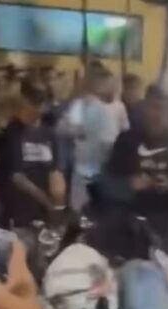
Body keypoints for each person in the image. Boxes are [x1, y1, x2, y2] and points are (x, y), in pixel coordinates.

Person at [105, 88, 168, 271]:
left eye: (161, 108)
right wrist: (130, 185)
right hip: (131, 228)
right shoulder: (126, 141)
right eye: (152, 108)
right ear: (144, 109)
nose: (156, 114)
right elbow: (107, 185)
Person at [0, 81, 64, 245]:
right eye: (32, 104)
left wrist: (58, 201)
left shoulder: (49, 132)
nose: (36, 110)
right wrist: (46, 201)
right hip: (18, 213)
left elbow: (54, 169)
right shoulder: (12, 131)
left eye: (40, 105)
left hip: (42, 216)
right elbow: (17, 177)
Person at [64, 69, 119, 212]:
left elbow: (63, 129)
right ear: (102, 86)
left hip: (78, 171)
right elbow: (109, 146)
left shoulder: (77, 106)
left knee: (79, 212)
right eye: (112, 85)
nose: (114, 89)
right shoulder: (104, 112)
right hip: (99, 173)